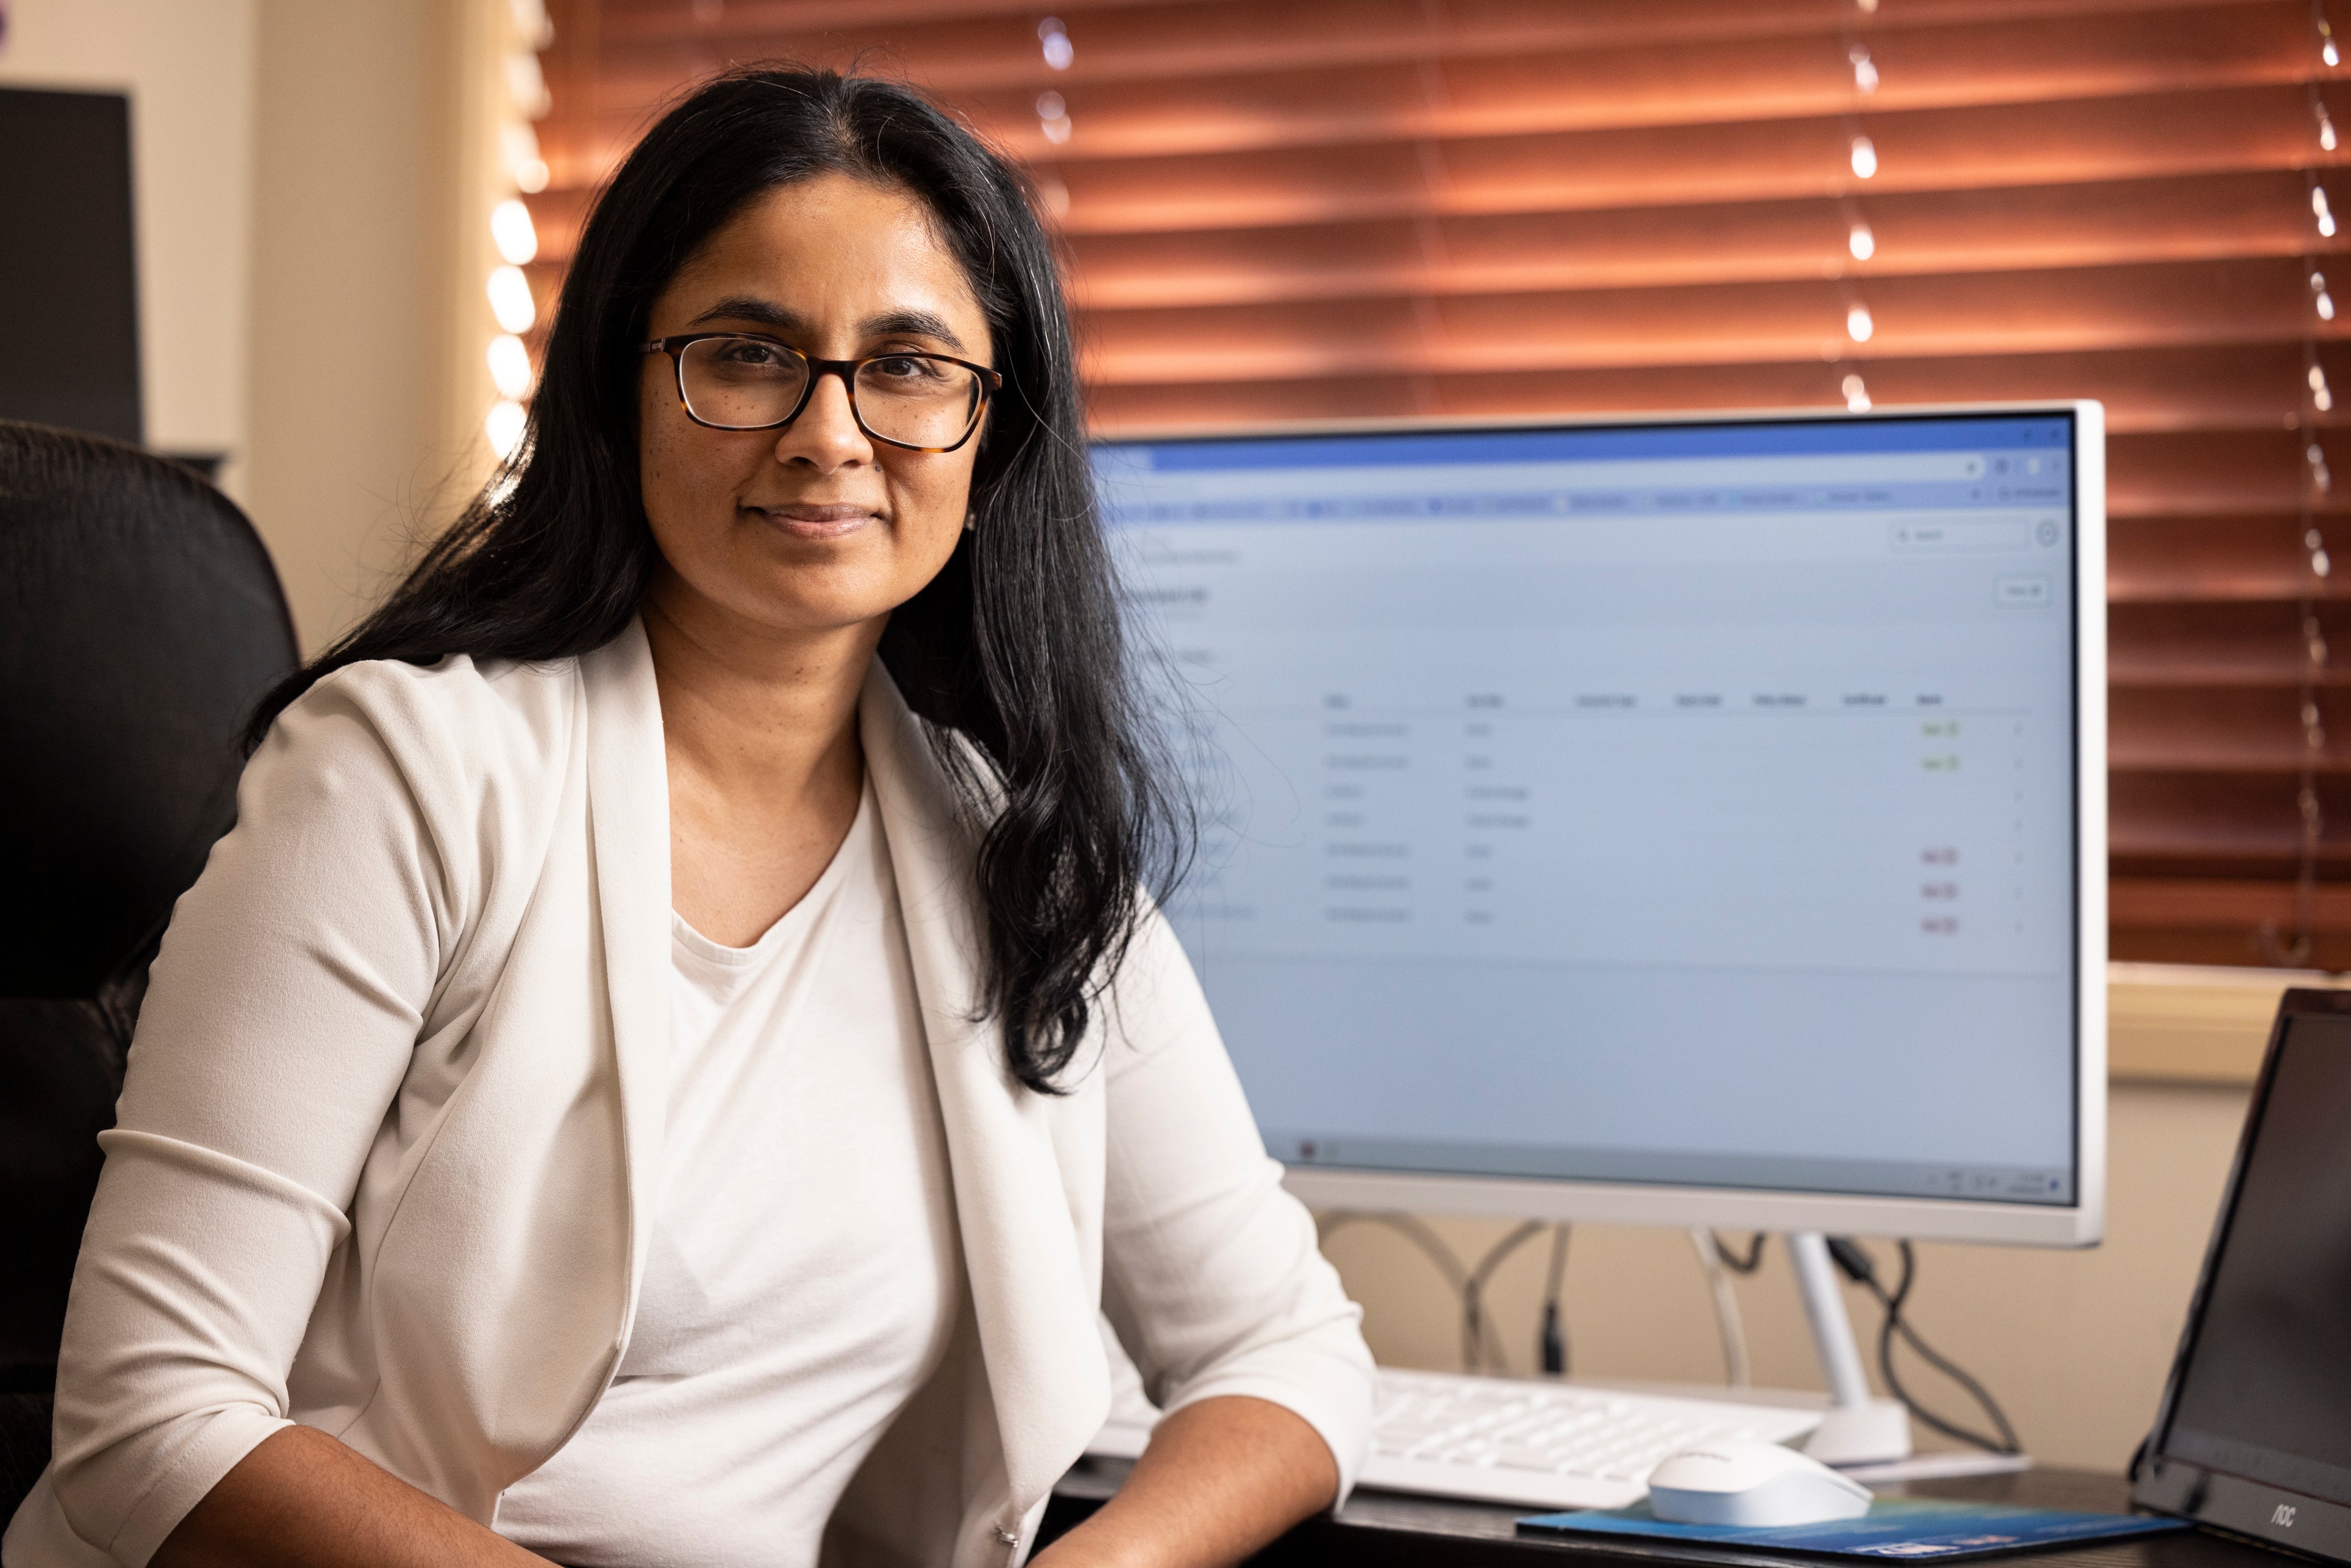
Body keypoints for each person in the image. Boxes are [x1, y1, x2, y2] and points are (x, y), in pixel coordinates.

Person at [3, 66, 1373, 1568]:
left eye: (909, 367)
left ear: (992, 437)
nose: (829, 433)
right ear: (619, 390)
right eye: (746, 354)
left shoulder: (1015, 851)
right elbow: (153, 1417)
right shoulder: (404, 776)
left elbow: (1285, 1352)